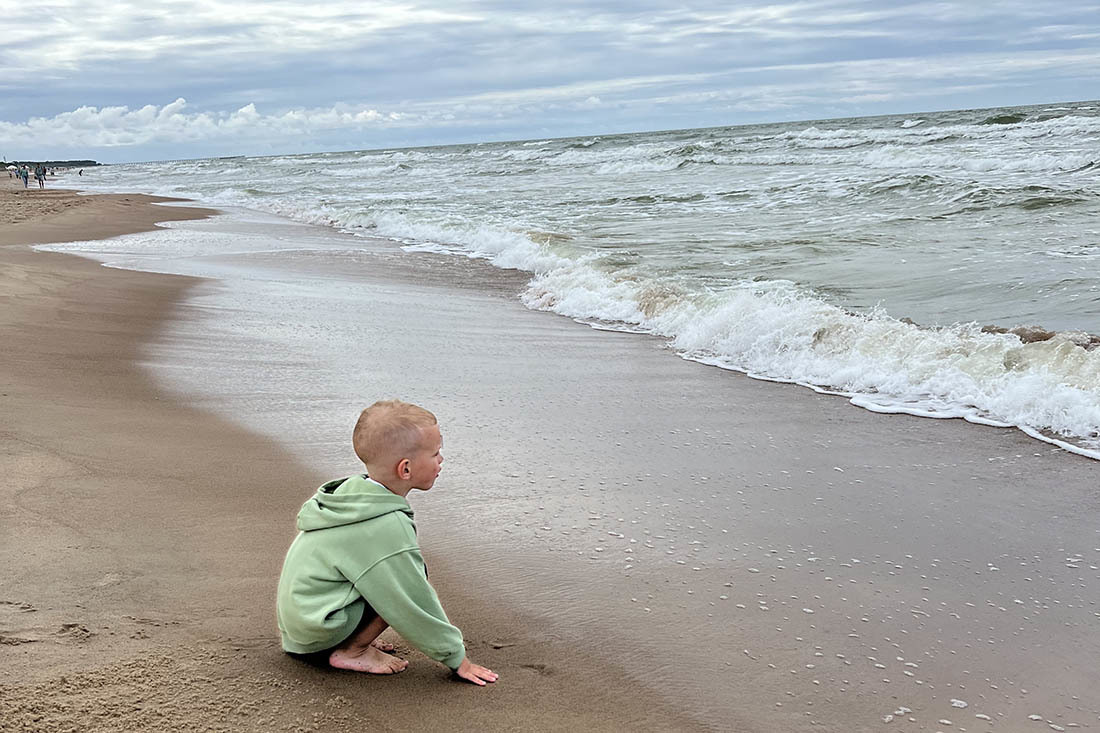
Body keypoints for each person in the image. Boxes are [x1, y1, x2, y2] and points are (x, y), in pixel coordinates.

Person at [276, 399, 499, 686]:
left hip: (301, 629)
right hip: (321, 633)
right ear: (405, 470)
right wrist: (456, 657)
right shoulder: (385, 525)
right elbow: (411, 599)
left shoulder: (352, 496)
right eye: (435, 453)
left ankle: (354, 638)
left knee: (386, 573)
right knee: (405, 577)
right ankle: (353, 650)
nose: (441, 459)